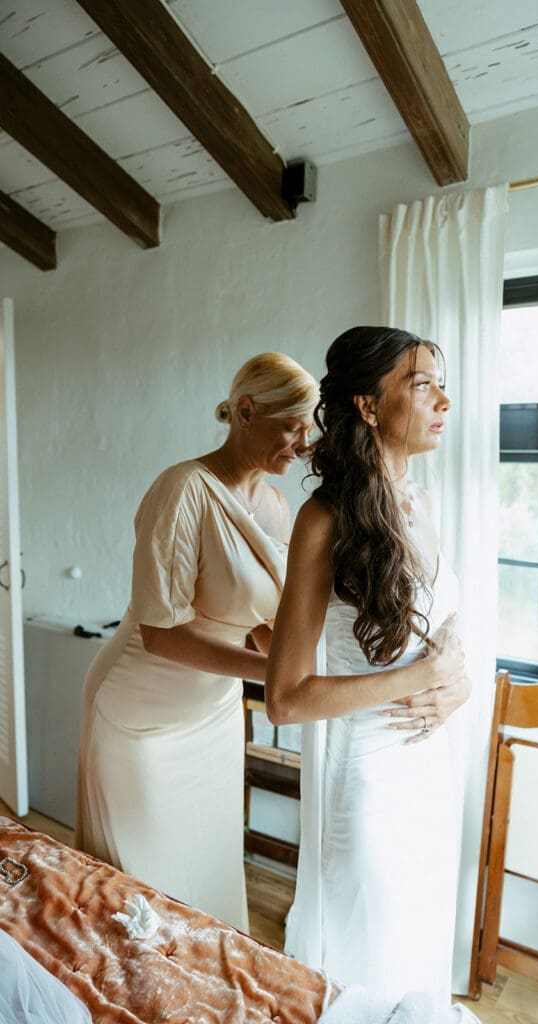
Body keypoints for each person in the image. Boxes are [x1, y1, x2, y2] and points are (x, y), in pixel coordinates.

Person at [75, 352, 318, 930]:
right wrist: (275, 677)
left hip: (212, 717)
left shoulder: (277, 508)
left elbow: (260, 621)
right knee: (139, 894)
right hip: (139, 714)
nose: (304, 442)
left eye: (310, 427)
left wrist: (302, 671)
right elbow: (162, 634)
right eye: (292, 424)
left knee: (205, 878)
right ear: (244, 411)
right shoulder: (183, 489)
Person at [266, 327, 472, 1005]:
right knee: (372, 953)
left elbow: (442, 634)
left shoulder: (423, 500)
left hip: (430, 767)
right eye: (421, 384)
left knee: (416, 945)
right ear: (367, 406)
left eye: (441, 383)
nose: (443, 399)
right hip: (371, 778)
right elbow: (286, 699)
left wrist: (457, 683)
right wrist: (419, 679)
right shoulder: (323, 520)